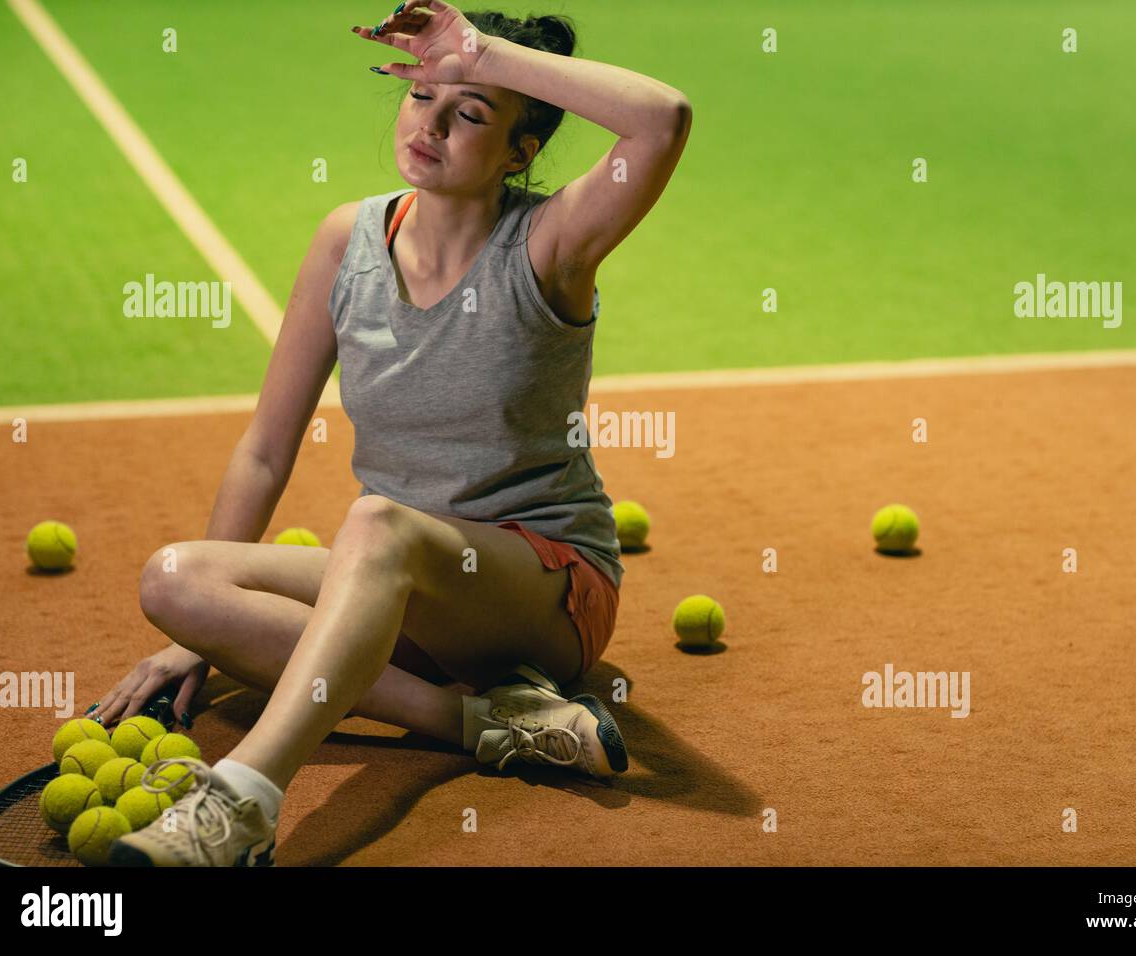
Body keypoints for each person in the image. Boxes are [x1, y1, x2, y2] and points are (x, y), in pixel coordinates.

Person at [88, 0, 693, 866]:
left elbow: (662, 120)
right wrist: (197, 639)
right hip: (406, 589)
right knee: (178, 580)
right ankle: (483, 724)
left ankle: (243, 804)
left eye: (471, 113)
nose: (432, 125)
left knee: (372, 521)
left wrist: (486, 54)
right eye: (423, 99)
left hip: (545, 588)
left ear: (521, 151)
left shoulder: (550, 246)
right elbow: (265, 446)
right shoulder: (349, 242)